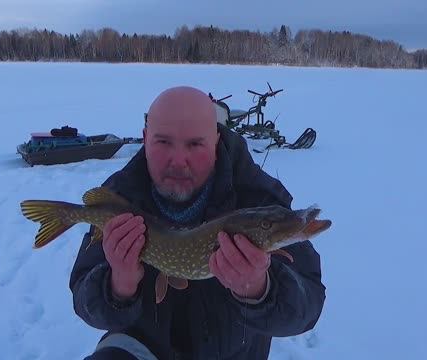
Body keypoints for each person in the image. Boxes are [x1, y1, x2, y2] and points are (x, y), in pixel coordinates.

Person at [69, 86, 326, 360]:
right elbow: (85, 301)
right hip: (139, 349)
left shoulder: (258, 198)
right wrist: (119, 285)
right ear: (145, 139)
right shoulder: (122, 197)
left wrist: (262, 290)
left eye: (195, 144)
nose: (179, 161)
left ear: (215, 141)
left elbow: (308, 306)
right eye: (163, 142)